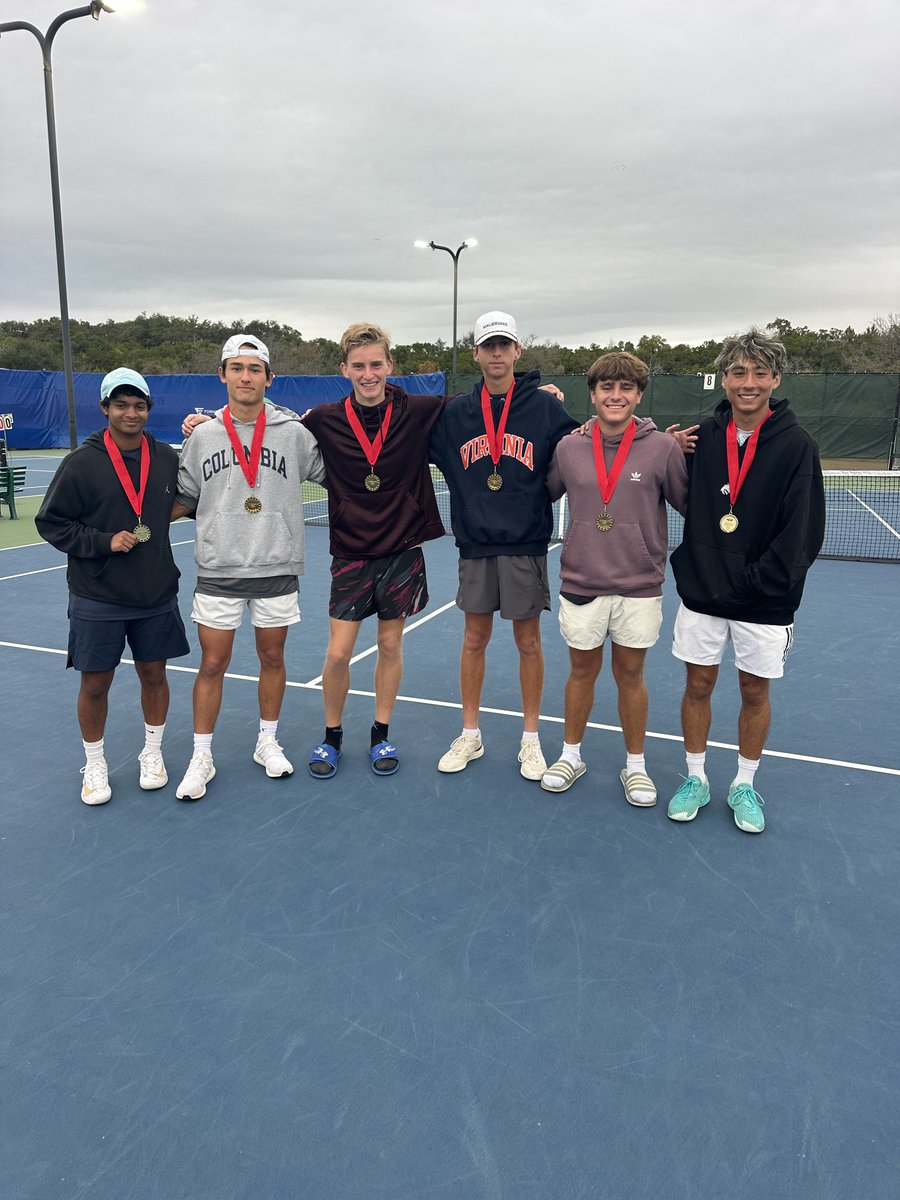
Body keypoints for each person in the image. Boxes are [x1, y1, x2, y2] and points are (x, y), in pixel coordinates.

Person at [666, 327, 825, 834]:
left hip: (764, 600)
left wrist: (759, 579)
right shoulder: (701, 437)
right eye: (738, 372)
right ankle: (695, 778)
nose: (748, 382)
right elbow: (647, 465)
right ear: (725, 379)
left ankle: (744, 783)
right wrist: (667, 446)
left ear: (775, 379)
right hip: (704, 594)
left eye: (759, 372)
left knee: (754, 692)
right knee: (698, 685)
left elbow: (803, 530)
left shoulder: (798, 445)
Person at [172, 334, 325, 800]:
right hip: (220, 567)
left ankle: (267, 742)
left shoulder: (295, 433)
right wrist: (134, 523)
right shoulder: (202, 436)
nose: (245, 376)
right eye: (236, 368)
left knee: (273, 659)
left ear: (269, 378)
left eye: (254, 369)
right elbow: (181, 499)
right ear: (222, 375)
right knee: (213, 663)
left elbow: (339, 473)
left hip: (276, 564)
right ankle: (202, 755)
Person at [429, 311, 579, 779]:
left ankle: (530, 740)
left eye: (504, 345)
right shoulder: (455, 413)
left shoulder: (545, 407)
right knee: (474, 639)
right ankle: (470, 734)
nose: (496, 353)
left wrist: (651, 437)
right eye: (488, 345)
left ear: (517, 351)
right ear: (476, 353)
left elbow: (585, 446)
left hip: (525, 542)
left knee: (528, 642)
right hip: (475, 542)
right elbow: (403, 437)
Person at [35, 368, 190, 806]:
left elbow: (180, 500)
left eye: (139, 405)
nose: (131, 413)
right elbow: (51, 522)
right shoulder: (80, 463)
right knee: (96, 683)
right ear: (104, 409)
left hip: (155, 591)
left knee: (154, 675)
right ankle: (96, 761)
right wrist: (102, 542)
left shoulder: (164, 457)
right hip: (97, 595)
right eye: (120, 405)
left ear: (148, 410)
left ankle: (153, 753)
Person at [299, 323, 445, 778]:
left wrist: (537, 395)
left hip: (401, 549)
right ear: (344, 369)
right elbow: (269, 428)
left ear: (390, 366)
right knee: (339, 653)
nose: (368, 373)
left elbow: (479, 411)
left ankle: (381, 734)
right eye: (358, 366)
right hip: (351, 553)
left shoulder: (418, 410)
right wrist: (206, 421)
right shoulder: (323, 419)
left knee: (389, 645)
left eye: (375, 364)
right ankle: (332, 736)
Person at [541, 351, 688, 801]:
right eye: (607, 387)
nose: (616, 396)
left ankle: (636, 766)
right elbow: (540, 493)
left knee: (631, 676)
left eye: (626, 388)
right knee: (580, 673)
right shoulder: (569, 447)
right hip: (581, 583)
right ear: (593, 394)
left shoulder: (663, 447)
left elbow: (690, 503)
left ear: (639, 395)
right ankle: (571, 756)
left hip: (639, 587)